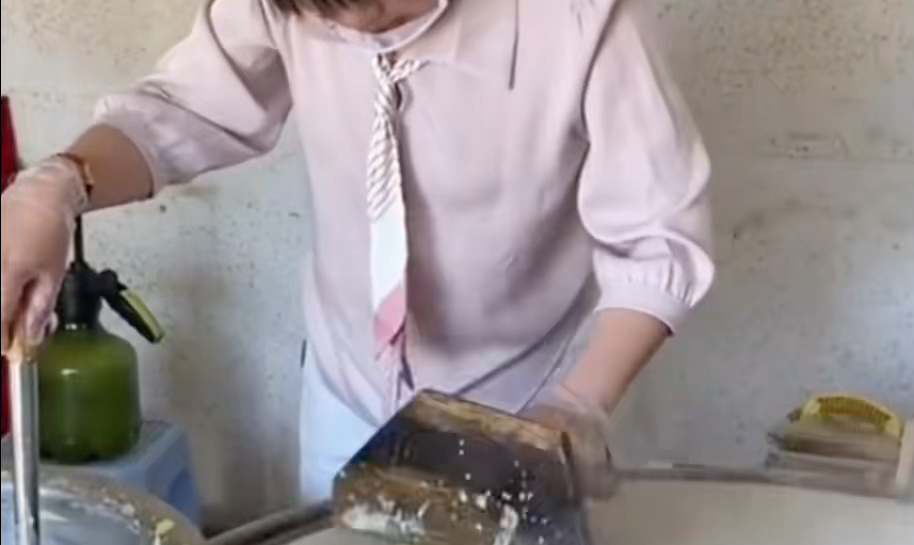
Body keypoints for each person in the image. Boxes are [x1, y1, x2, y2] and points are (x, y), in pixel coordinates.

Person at [0, 0, 715, 502]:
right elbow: (184, 110)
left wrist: (578, 407)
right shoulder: (290, 5)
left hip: (526, 403)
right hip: (347, 389)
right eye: (324, 13)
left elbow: (658, 238)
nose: (352, 27)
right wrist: (60, 185)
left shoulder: (584, 18)